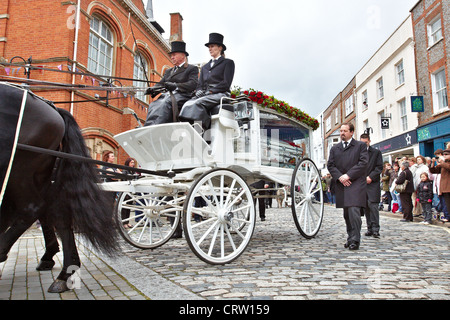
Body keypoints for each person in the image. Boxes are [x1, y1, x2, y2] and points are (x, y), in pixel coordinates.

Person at [179, 33, 235, 130]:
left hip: (221, 93)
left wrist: (211, 91)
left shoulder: (228, 63)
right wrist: (199, 91)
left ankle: (204, 130)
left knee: (198, 103)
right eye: (209, 47)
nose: (210, 49)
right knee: (187, 104)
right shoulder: (205, 67)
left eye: (212, 46)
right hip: (206, 94)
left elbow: (226, 83)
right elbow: (200, 84)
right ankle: (189, 129)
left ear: (220, 47)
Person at [327, 123, 368, 250]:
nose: (342, 133)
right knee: (346, 213)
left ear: (351, 132)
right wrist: (340, 177)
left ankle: (355, 239)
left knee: (354, 211)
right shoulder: (335, 148)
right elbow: (331, 165)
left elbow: (363, 163)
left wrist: (348, 175)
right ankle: (350, 237)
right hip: (341, 183)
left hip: (355, 183)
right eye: (340, 131)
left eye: (344, 131)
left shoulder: (360, 146)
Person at [144, 41, 199, 126]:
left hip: (183, 95)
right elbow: (161, 83)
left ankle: (158, 126)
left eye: (174, 55)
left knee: (165, 103)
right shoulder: (169, 71)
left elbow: (193, 84)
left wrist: (176, 86)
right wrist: (153, 89)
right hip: (168, 95)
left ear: (183, 55)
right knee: (153, 104)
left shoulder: (191, 68)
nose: (172, 57)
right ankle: (148, 126)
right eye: (171, 55)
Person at [360, 134, 383, 238]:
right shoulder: (358, 153)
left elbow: (379, 167)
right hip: (362, 184)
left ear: (369, 141)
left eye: (366, 142)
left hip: (373, 183)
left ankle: (375, 229)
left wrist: (370, 177)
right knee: (365, 207)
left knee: (373, 206)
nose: (364, 145)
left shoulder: (376, 152)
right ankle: (369, 228)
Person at [430, 148, 450, 226]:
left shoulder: (445, 164)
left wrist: (442, 163)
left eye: (446, 155)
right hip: (443, 187)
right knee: (447, 205)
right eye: (444, 154)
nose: (444, 156)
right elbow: (433, 171)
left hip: (448, 186)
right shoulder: (443, 163)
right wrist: (433, 163)